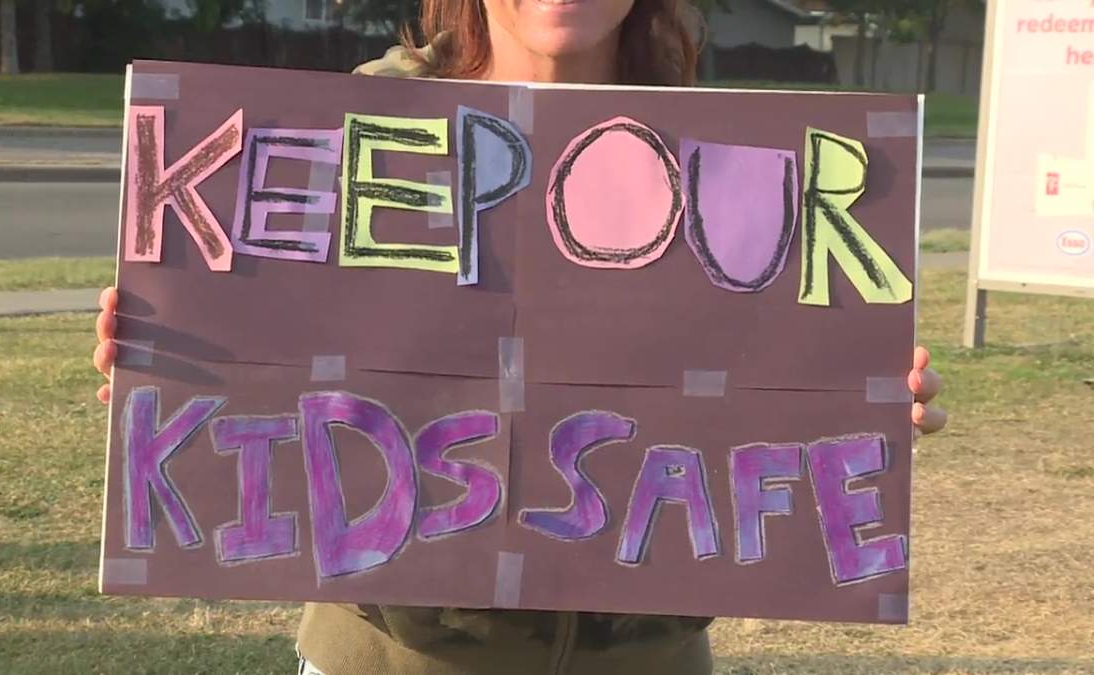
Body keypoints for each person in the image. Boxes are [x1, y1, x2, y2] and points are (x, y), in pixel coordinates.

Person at [93, 0, 948, 672]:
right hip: (396, 659)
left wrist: (860, 398)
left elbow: (768, 382)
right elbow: (268, 360)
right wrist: (174, 361)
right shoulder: (356, 132)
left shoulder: (733, 154)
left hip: (646, 658)